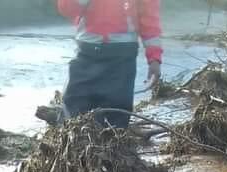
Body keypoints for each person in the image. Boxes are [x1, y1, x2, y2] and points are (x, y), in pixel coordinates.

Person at [56, 0, 163, 128]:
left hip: (122, 58)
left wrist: (154, 59)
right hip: (86, 54)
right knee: (74, 110)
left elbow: (150, 18)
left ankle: (115, 146)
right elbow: (66, 9)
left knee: (116, 117)